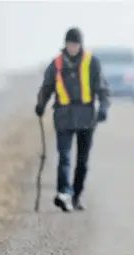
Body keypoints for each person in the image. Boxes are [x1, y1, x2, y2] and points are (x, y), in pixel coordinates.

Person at [35, 27, 110, 212]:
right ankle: (63, 194)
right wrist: (41, 104)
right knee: (64, 157)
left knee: (82, 161)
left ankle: (76, 196)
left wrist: (104, 107)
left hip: (86, 117)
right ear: (65, 44)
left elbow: (102, 88)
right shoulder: (57, 64)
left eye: (75, 44)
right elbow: (47, 87)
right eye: (69, 44)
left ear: (80, 45)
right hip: (64, 116)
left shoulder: (92, 62)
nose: (72, 47)